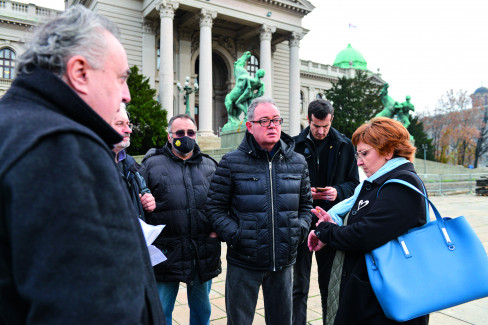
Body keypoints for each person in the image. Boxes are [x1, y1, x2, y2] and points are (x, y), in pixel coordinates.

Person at [0, 5, 164, 324]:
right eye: (121, 79)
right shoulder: (65, 148)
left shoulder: (13, 129)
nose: (128, 95)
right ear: (80, 73)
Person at [307, 117, 429, 325]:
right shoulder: (380, 182)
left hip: (386, 302)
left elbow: (364, 234)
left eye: (365, 153)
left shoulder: (401, 184)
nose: (359, 161)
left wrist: (328, 231)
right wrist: (337, 225)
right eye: (358, 154)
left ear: (389, 151)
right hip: (373, 297)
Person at [206, 96, 313, 325]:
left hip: (283, 262)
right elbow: (214, 208)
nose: (272, 125)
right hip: (244, 261)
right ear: (250, 126)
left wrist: (298, 231)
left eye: (276, 120)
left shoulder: (298, 162)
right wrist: (238, 235)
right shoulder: (231, 162)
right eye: (264, 120)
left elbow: (305, 206)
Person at [140, 114, 221, 325]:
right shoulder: (151, 164)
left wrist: (215, 233)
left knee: (202, 311)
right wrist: (143, 201)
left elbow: (221, 203)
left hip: (202, 251)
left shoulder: (210, 166)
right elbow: (137, 200)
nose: (185, 137)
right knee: (161, 311)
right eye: (180, 133)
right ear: (169, 137)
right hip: (166, 253)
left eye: (190, 133)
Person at [292, 99, 359, 324]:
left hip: (330, 224)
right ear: (308, 120)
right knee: (297, 286)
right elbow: (285, 185)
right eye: (316, 126)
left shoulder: (345, 145)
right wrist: (304, 191)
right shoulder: (293, 146)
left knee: (329, 286)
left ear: (332, 120)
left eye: (325, 126)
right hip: (301, 222)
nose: (321, 131)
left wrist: (337, 191)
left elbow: (353, 184)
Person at [111, 103, 156, 219]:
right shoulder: (90, 164)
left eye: (128, 124)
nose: (128, 130)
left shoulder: (130, 163)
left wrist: (148, 200)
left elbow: (143, 191)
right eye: (120, 124)